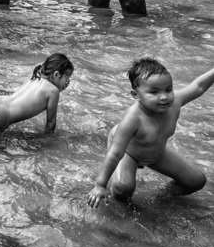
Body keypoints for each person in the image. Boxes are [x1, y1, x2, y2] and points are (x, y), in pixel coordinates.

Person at [87, 58, 214, 208]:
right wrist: (100, 185)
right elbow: (115, 153)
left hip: (155, 151)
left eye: (168, 89)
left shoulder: (174, 102)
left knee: (196, 181)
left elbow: (198, 86)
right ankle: (121, 207)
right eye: (154, 92)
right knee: (123, 187)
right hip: (128, 151)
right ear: (135, 95)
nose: (164, 97)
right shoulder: (133, 118)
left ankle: (160, 197)